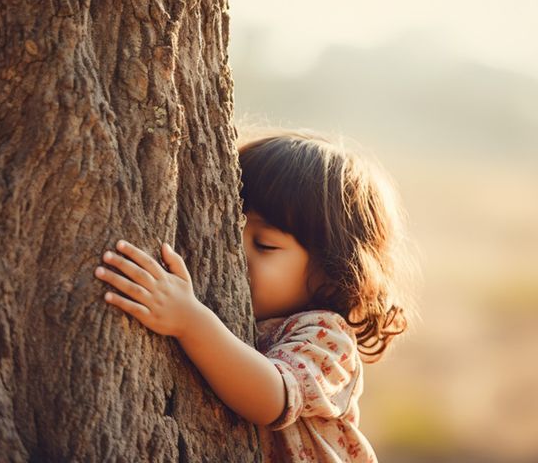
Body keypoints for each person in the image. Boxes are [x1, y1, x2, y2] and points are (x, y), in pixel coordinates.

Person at [94, 128, 421, 462]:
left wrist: (190, 321)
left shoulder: (327, 338)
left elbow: (270, 398)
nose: (236, 253)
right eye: (231, 232)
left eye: (264, 245)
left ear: (333, 274)